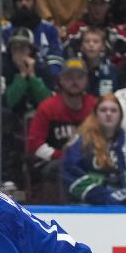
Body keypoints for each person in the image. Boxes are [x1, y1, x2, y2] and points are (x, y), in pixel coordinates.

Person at [26, 57, 97, 203]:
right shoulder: (48, 107)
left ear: (86, 80)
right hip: (54, 162)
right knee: (58, 168)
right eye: (69, 77)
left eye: (79, 77)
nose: (74, 81)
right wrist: (62, 156)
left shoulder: (94, 106)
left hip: (88, 160)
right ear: (61, 80)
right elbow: (35, 144)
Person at [62, 94, 126, 205]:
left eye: (113, 110)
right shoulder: (81, 143)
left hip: (125, 207)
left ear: (120, 116)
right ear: (95, 114)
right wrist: (105, 197)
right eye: (103, 110)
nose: (108, 114)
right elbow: (70, 175)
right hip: (87, 207)